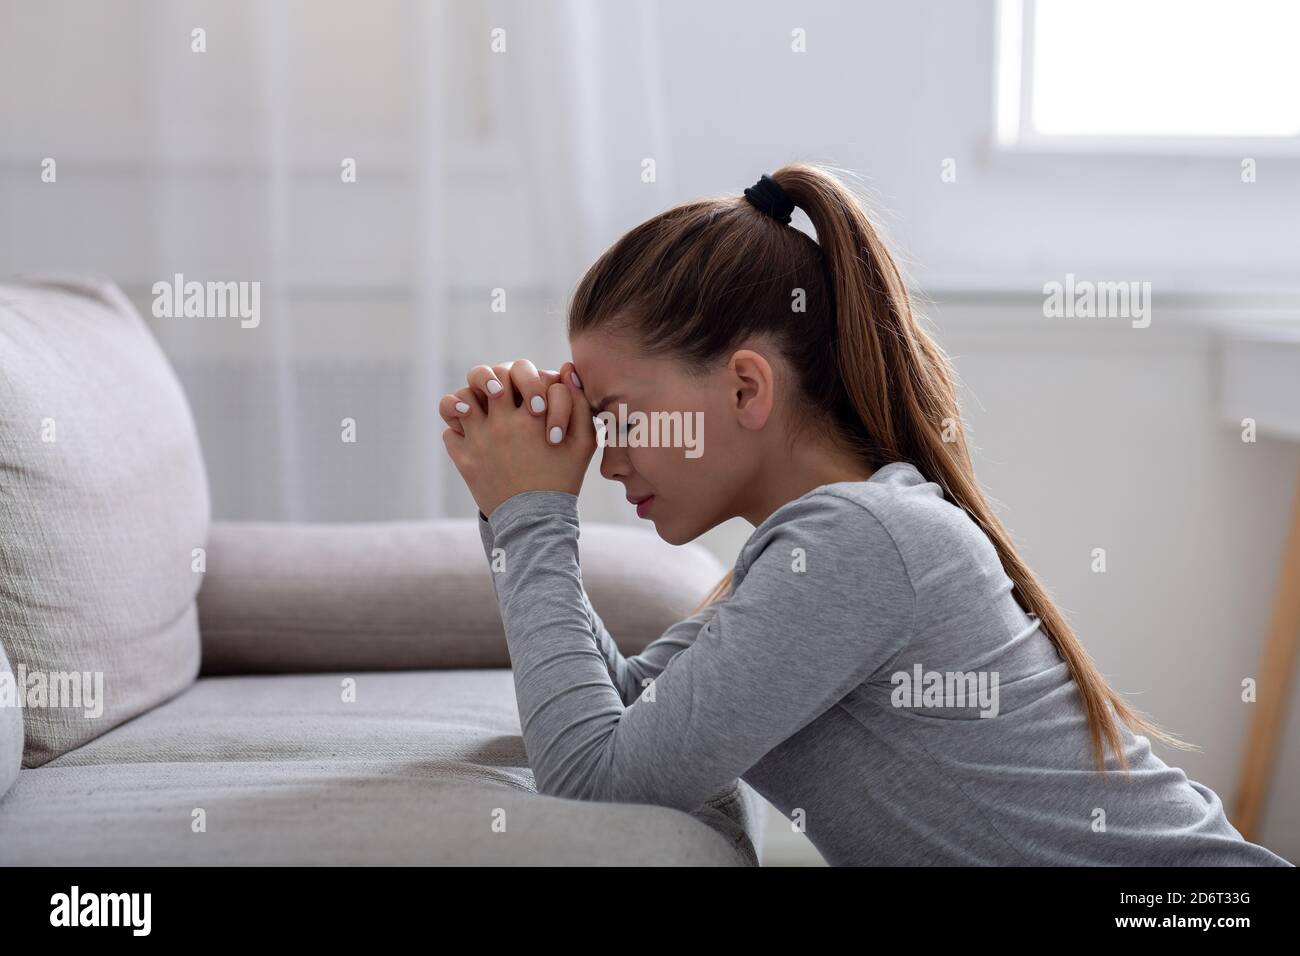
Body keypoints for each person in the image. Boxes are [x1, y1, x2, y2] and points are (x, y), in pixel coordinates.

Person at [440, 162, 1293, 866]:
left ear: (746, 387)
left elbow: (594, 778)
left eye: (620, 417)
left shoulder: (859, 543)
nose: (607, 457)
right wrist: (512, 511)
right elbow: (619, 715)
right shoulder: (817, 551)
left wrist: (534, 513)